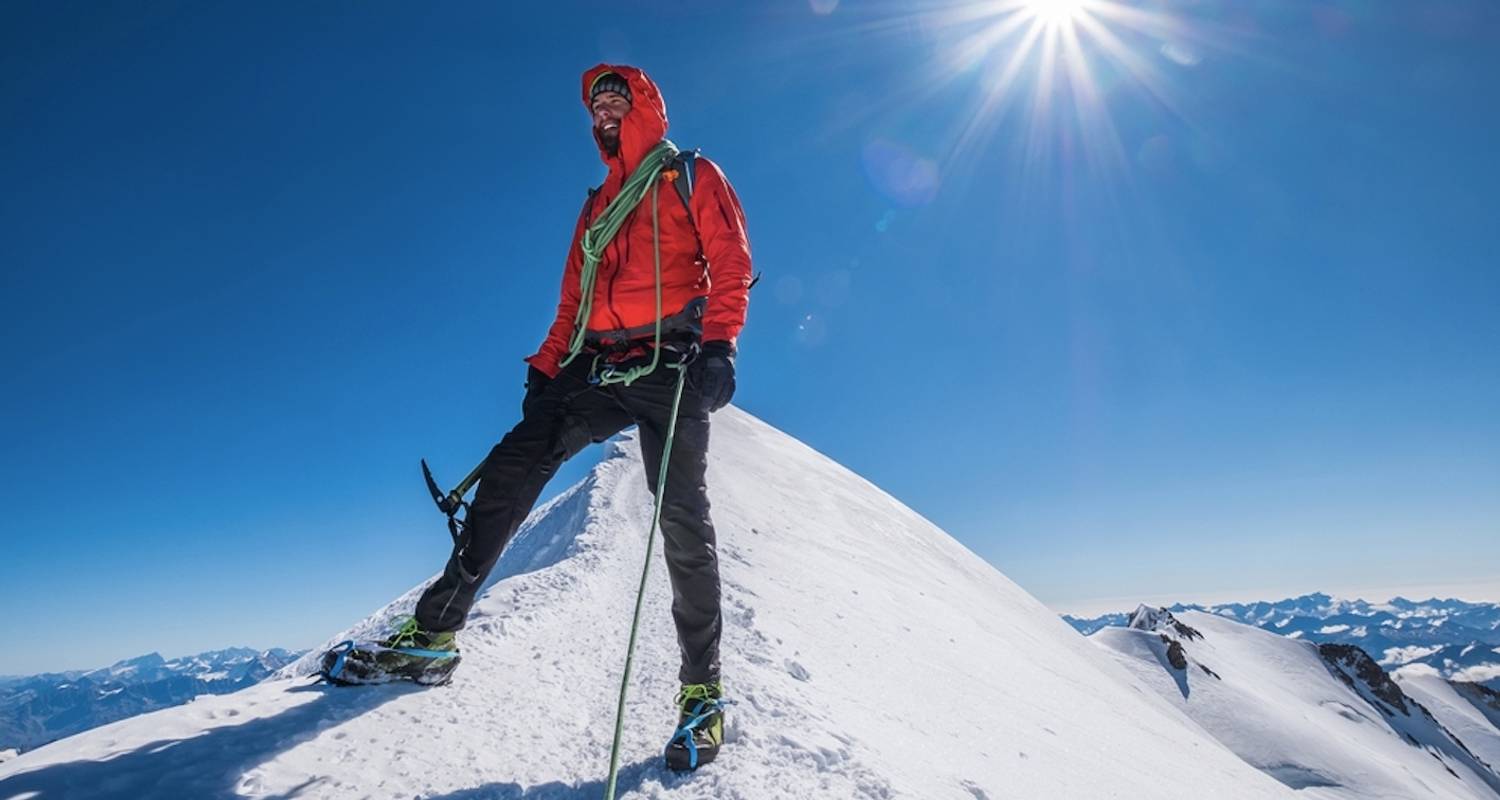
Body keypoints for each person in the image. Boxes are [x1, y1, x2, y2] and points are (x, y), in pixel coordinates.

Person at [320, 64, 752, 772]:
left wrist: (720, 346)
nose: (604, 113)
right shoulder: (594, 209)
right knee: (514, 465)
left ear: (645, 105)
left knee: (680, 518)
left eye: (616, 99)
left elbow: (730, 261)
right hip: (598, 364)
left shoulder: (690, 175)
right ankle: (434, 635)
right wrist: (547, 365)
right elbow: (572, 303)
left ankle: (702, 694)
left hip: (673, 361)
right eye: (595, 106)